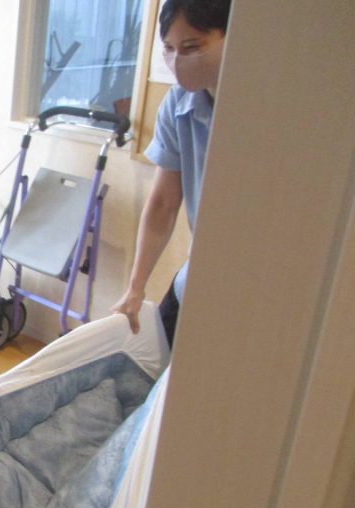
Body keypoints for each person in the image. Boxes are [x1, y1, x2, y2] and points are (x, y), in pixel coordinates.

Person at [111, 0, 231, 347]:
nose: (178, 60)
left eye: (192, 47)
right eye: (169, 48)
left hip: (251, 274)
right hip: (201, 266)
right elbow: (163, 203)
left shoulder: (264, 106)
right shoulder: (178, 105)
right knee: (159, 347)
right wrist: (135, 288)